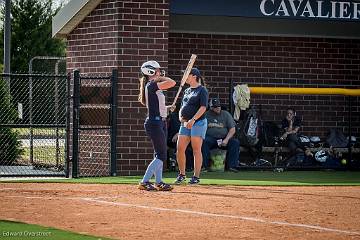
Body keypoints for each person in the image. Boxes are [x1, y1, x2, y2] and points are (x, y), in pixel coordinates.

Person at [137, 60, 176, 191]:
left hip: (160, 121)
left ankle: (159, 182)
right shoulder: (152, 85)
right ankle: (144, 181)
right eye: (157, 70)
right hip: (154, 123)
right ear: (150, 71)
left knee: (159, 153)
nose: (160, 72)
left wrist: (167, 108)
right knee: (161, 155)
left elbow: (156, 106)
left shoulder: (153, 86)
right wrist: (160, 77)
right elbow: (172, 83)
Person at [175, 68, 208, 185]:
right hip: (184, 123)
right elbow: (182, 106)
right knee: (180, 149)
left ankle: (196, 177)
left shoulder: (202, 90)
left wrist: (193, 120)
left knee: (196, 149)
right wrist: (180, 116)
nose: (184, 77)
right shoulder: (187, 90)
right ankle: (182, 174)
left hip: (198, 122)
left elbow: (203, 107)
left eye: (186, 75)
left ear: (194, 76)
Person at [202, 98, 240, 172]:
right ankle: (204, 166)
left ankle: (232, 166)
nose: (218, 108)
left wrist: (226, 139)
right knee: (203, 142)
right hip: (210, 138)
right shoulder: (206, 115)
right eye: (215, 107)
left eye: (219, 106)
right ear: (211, 107)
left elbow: (232, 129)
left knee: (235, 142)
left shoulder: (226, 114)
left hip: (224, 138)